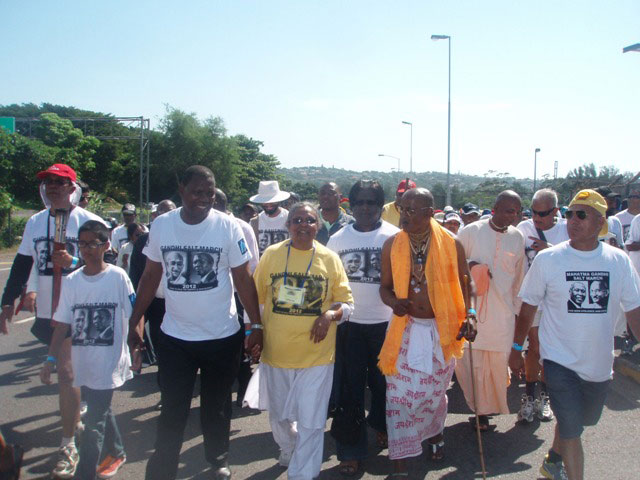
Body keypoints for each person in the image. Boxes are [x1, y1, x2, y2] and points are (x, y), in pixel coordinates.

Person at [128, 166, 262, 480]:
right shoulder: (162, 225)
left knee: (217, 407)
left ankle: (217, 462)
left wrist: (256, 325)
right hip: (176, 338)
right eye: (197, 192)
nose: (204, 199)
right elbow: (150, 276)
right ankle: (162, 468)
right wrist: (135, 320)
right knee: (173, 408)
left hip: (222, 336)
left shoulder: (228, 226)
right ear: (181, 189)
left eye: (210, 193)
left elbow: (243, 279)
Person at [510, 189, 640, 480]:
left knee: (578, 422)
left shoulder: (618, 261)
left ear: (599, 222)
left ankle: (554, 459)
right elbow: (528, 306)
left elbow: (634, 309)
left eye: (581, 214)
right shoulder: (549, 260)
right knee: (571, 426)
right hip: (558, 361)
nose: (572, 220)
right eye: (569, 213)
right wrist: (517, 347)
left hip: (597, 364)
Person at [0, 163, 104, 479]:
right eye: (48, 183)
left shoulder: (90, 221)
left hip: (80, 307)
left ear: (73, 187)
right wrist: (8, 301)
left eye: (60, 183)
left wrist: (74, 260)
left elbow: (108, 264)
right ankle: (83, 411)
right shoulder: (35, 223)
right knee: (71, 373)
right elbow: (22, 263)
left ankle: (67, 445)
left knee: (68, 372)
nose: (53, 188)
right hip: (48, 308)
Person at [253, 202, 353, 480]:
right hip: (276, 354)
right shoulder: (272, 255)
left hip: (317, 357)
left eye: (310, 220)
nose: (303, 225)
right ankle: (288, 446)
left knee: (311, 421)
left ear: (317, 226)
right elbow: (256, 298)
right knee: (279, 417)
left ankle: (303, 474)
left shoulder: (330, 259)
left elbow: (347, 304)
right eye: (297, 220)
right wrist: (255, 329)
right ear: (288, 225)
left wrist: (329, 315)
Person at [377, 188, 474, 476]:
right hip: (405, 331)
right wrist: (394, 302)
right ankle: (400, 463)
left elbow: (466, 282)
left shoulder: (451, 243)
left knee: (433, 394)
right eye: (402, 209)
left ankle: (435, 434)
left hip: (442, 331)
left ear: (430, 212)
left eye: (412, 210)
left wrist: (470, 316)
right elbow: (384, 287)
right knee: (398, 398)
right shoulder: (392, 244)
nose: (405, 215)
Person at [40, 220, 137, 480]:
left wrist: (137, 348)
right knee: (98, 408)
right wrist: (50, 359)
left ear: (106, 245)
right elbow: (62, 324)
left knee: (94, 423)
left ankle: (85, 474)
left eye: (93, 244)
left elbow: (135, 313)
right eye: (82, 244)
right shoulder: (72, 282)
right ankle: (116, 451)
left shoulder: (118, 277)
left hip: (109, 360)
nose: (86, 249)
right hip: (83, 361)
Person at [326, 180, 399, 475]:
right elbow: (330, 285)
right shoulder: (337, 239)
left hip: (387, 324)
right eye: (359, 202)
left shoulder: (395, 237)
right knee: (350, 389)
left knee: (384, 386)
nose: (365, 208)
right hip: (349, 326)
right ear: (351, 205)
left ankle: (381, 426)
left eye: (371, 202)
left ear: (380, 205)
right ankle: (350, 449)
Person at [456, 190, 526, 431]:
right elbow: (453, 265)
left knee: (496, 364)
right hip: (472, 312)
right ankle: (480, 411)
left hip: (503, 314)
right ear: (494, 209)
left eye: (516, 212)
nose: (513, 216)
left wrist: (518, 312)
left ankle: (486, 408)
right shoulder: (471, 231)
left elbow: (519, 277)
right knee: (471, 365)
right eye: (508, 211)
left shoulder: (518, 237)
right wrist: (473, 266)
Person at [515, 188, 569, 423]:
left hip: (558, 301)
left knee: (550, 351)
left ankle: (544, 397)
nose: (536, 218)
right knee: (535, 346)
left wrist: (549, 251)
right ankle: (528, 396)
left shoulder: (567, 230)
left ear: (555, 211)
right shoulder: (523, 229)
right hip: (531, 300)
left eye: (543, 213)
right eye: (533, 212)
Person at [213, 188, 259, 407]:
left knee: (242, 347)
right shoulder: (206, 226)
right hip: (216, 297)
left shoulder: (242, 227)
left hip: (239, 295)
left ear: (219, 206)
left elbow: (252, 266)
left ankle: (246, 393)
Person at [249, 181, 291, 255]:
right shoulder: (254, 222)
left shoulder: (289, 218)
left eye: (272, 202)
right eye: (265, 202)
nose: (268, 205)